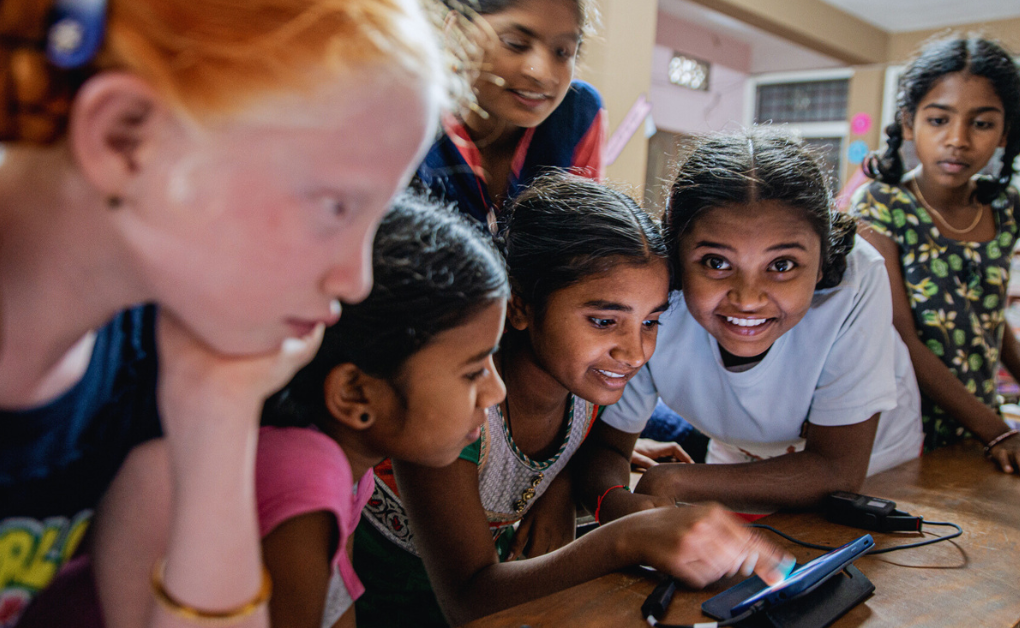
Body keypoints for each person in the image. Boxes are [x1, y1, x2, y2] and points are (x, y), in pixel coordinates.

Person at [0, 0, 442, 625]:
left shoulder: (144, 343)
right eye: (333, 206)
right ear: (125, 135)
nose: (356, 280)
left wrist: (217, 406)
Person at [354, 173, 792, 627]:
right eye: (604, 321)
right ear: (519, 305)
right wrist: (628, 537)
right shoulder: (457, 406)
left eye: (650, 322)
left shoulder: (588, 389)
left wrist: (560, 488)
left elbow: (584, 456)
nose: (634, 352)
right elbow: (467, 598)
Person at [92, 194, 508, 628]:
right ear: (354, 394)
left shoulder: (348, 464)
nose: (495, 391)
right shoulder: (306, 474)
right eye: (473, 371)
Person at [584, 129, 924, 521]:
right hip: (737, 461)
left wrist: (675, 480)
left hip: (871, 471)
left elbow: (837, 469)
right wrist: (614, 501)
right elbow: (608, 448)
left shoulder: (855, 281)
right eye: (716, 262)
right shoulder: (654, 294)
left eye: (781, 266)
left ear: (823, 259)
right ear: (677, 252)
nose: (747, 298)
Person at [852, 36, 1020, 481]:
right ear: (909, 124)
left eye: (981, 124)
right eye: (938, 119)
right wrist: (999, 432)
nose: (958, 140)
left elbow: (986, 314)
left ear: (1005, 133)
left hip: (978, 424)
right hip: (903, 426)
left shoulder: (1005, 209)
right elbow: (899, 337)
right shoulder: (881, 207)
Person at [416, 0, 605, 231]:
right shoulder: (411, 114)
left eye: (562, 52)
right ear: (457, 33)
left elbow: (577, 251)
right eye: (516, 44)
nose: (542, 73)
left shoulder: (578, 115)